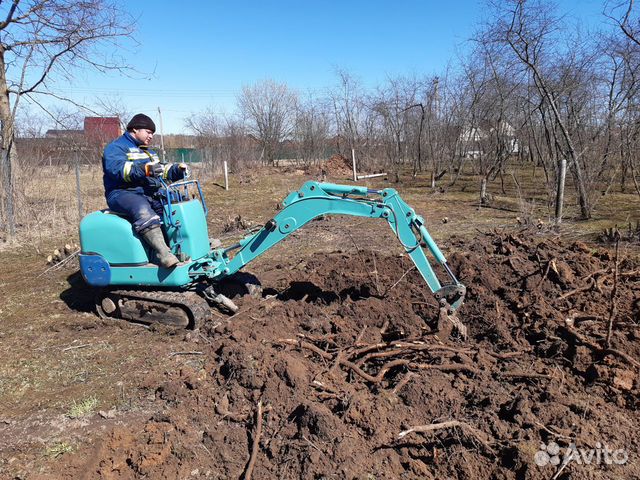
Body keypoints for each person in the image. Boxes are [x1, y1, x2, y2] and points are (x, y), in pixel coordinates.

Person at [102, 113, 189, 268]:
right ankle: (162, 253)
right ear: (135, 129)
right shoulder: (116, 148)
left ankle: (185, 245)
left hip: (147, 192)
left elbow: (161, 170)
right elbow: (117, 169)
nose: (151, 136)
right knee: (142, 209)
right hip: (122, 192)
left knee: (176, 201)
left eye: (152, 134)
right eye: (148, 132)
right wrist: (144, 169)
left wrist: (176, 170)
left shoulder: (148, 151)